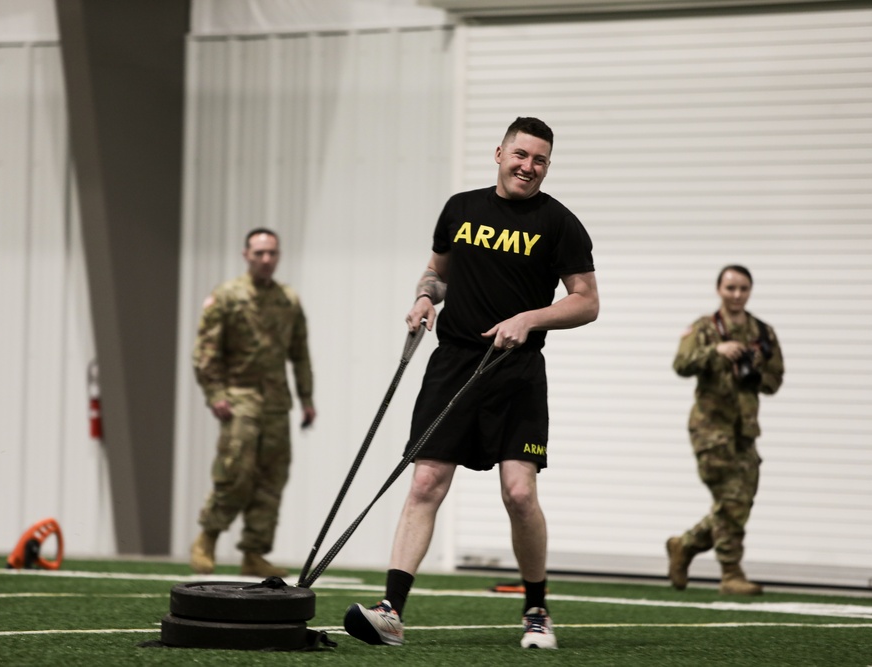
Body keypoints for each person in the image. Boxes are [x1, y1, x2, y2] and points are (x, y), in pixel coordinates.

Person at [343, 117, 599, 650]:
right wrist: (422, 299)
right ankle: (391, 612)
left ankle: (536, 612)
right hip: (453, 363)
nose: (529, 167)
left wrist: (530, 318)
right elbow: (437, 272)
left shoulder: (561, 224)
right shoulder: (461, 209)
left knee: (520, 493)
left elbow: (586, 302)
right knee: (425, 484)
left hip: (517, 371)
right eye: (521, 155)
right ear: (500, 152)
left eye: (540, 161)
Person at [189, 228, 316, 578]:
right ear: (246, 254)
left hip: (277, 403)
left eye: (272, 253)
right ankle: (208, 537)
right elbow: (205, 352)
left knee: (271, 479)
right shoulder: (227, 296)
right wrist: (215, 394)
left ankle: (254, 552)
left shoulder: (288, 300)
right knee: (236, 471)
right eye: (259, 253)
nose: (266, 259)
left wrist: (306, 398)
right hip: (239, 398)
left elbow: (300, 353)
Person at [666, 265, 784, 595]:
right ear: (719, 289)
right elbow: (681, 365)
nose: (736, 295)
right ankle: (731, 573)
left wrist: (756, 370)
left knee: (740, 501)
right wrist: (714, 352)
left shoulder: (763, 333)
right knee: (731, 500)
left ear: (750, 291)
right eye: (730, 288)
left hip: (745, 429)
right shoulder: (704, 328)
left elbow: (775, 380)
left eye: (743, 288)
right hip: (710, 428)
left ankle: (685, 545)